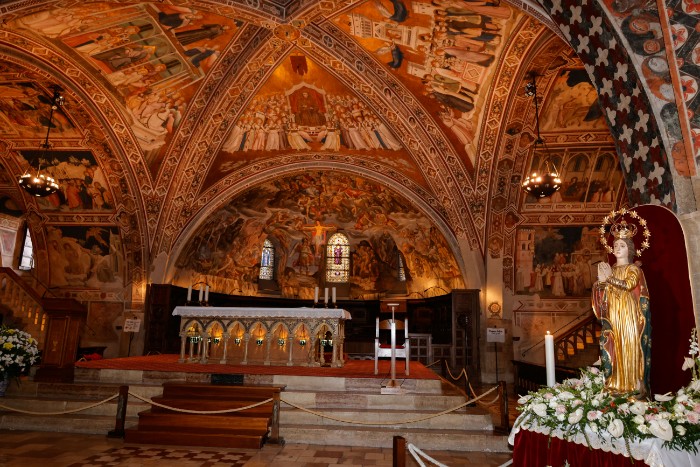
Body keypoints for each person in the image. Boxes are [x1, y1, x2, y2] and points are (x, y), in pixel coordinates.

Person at [591, 221, 651, 396]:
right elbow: (604, 291)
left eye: (622, 245)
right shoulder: (611, 269)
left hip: (628, 313)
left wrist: (608, 278)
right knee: (615, 346)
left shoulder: (633, 269)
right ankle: (616, 384)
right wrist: (599, 285)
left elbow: (629, 285)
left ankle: (632, 386)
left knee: (629, 345)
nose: (617, 248)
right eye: (615, 245)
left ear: (629, 249)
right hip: (613, 313)